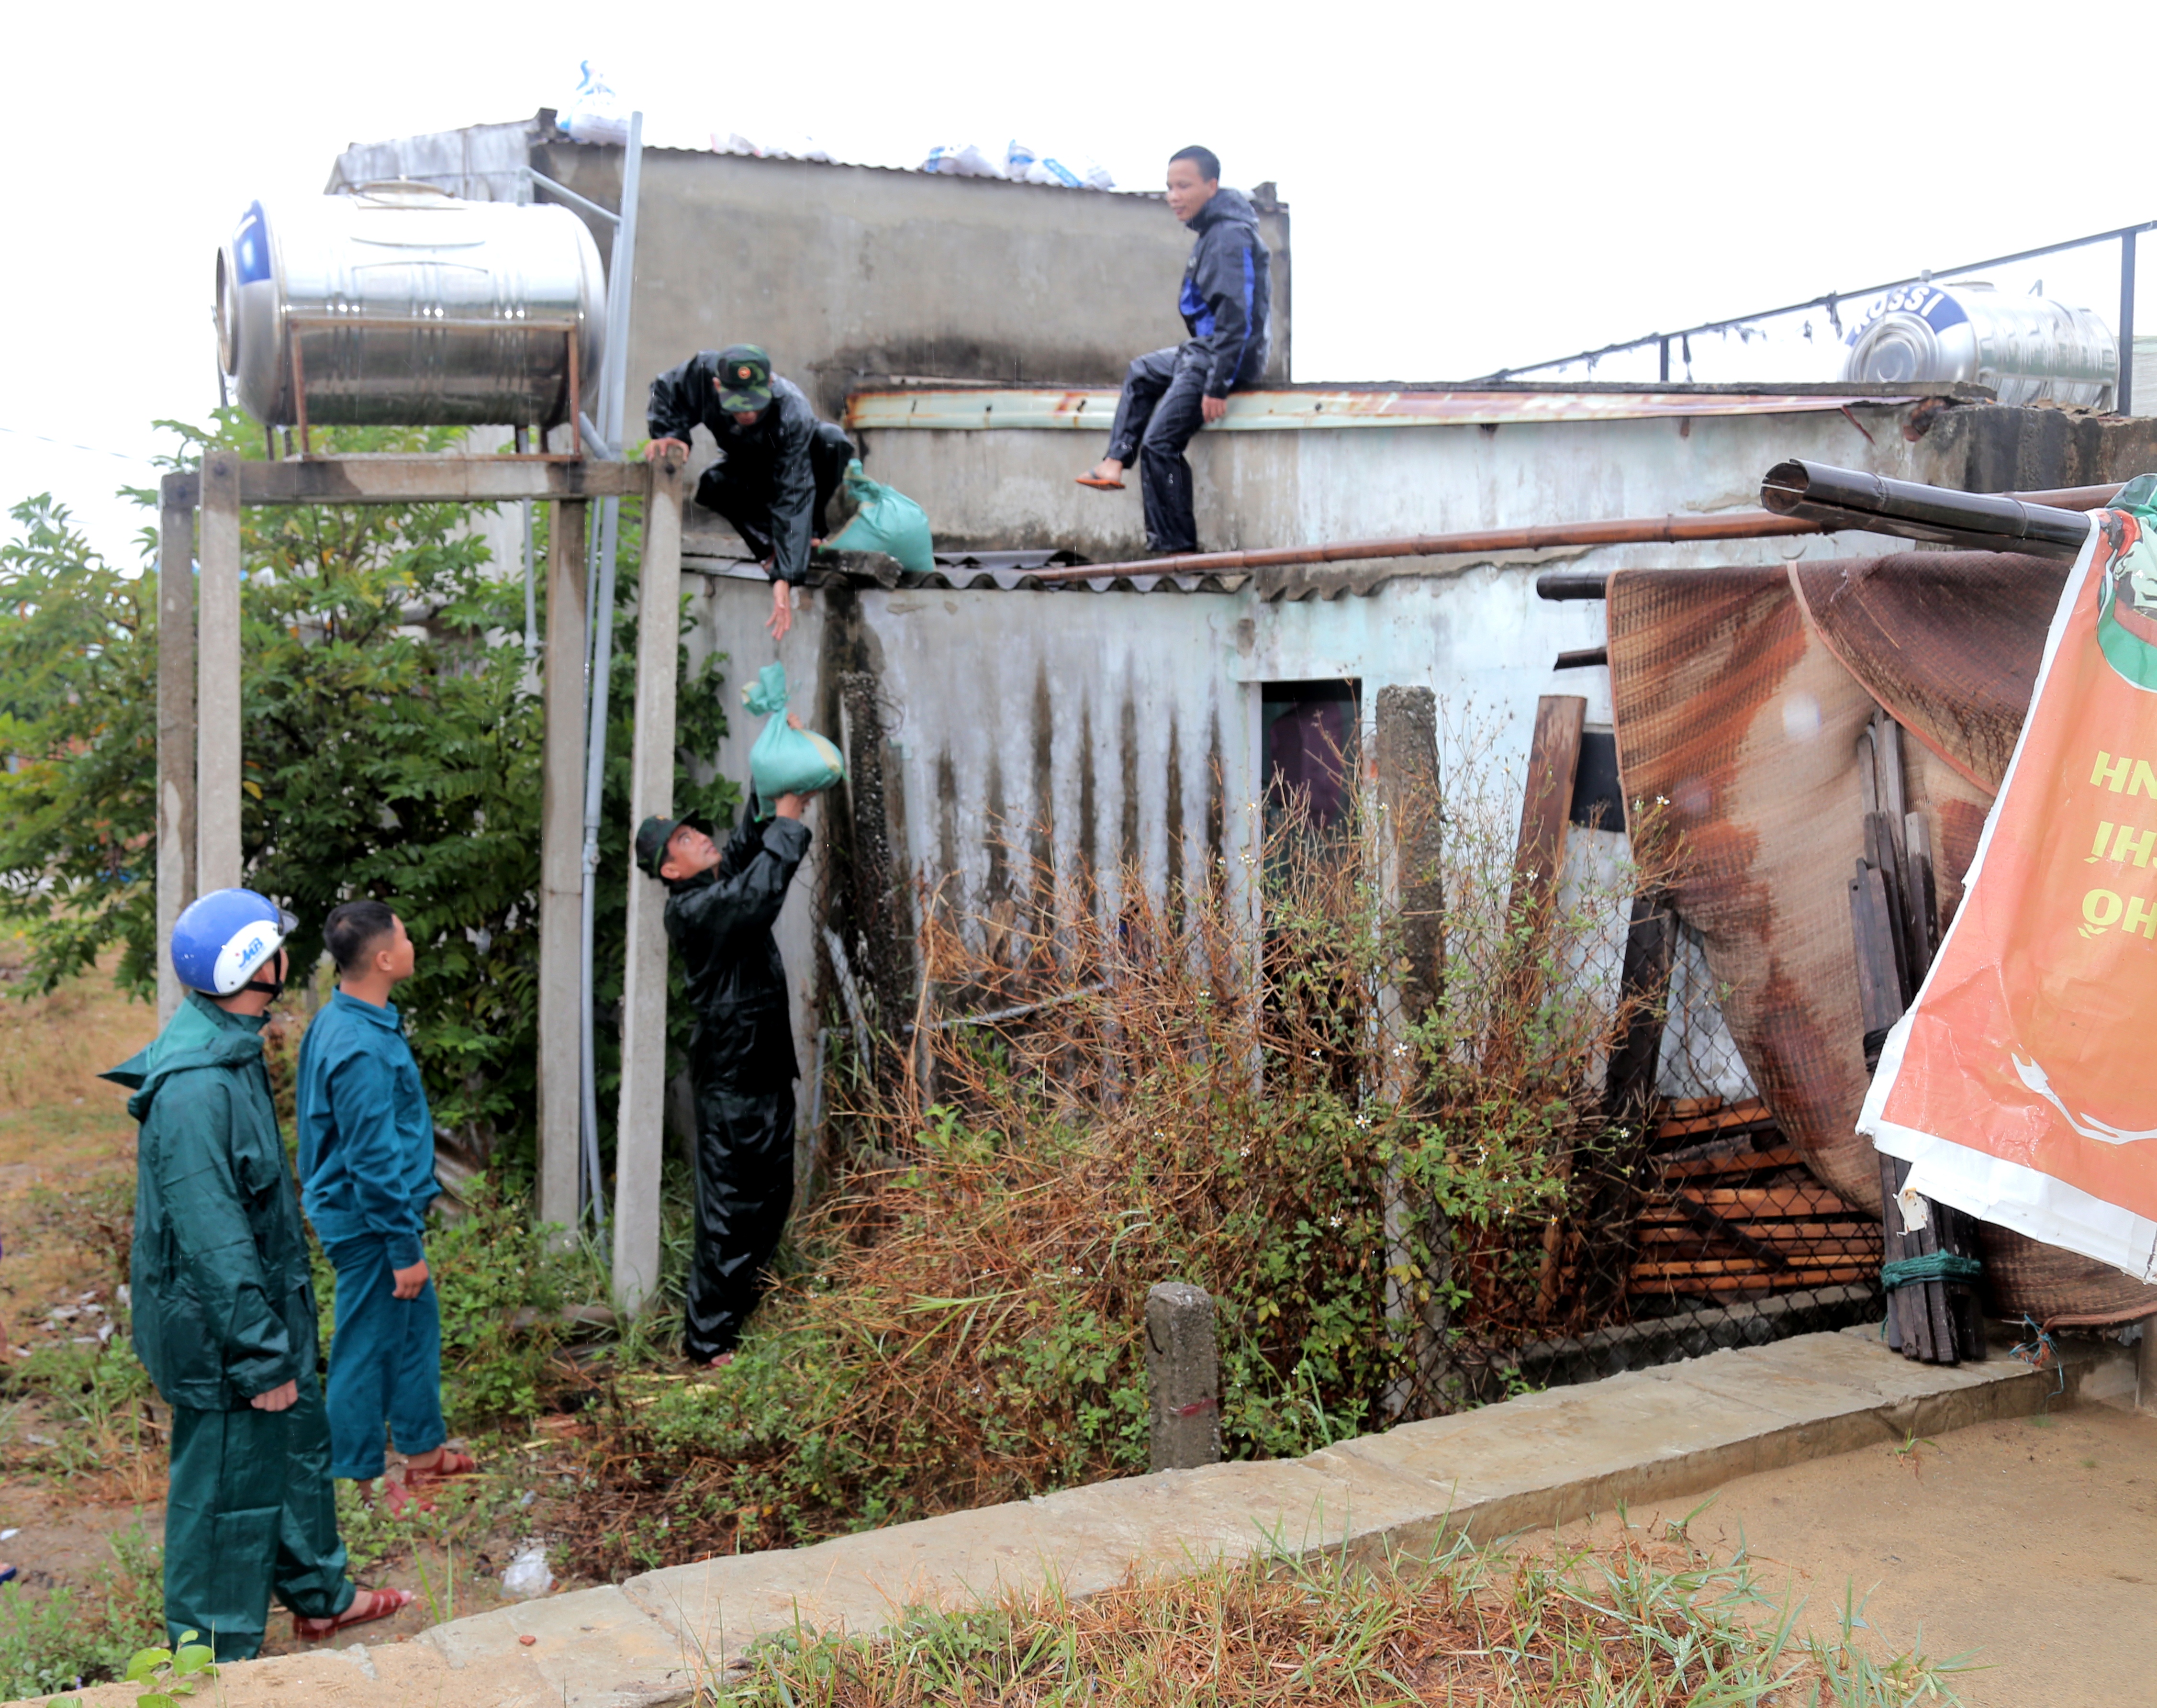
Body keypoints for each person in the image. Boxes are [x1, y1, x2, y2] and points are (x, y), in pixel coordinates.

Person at [103, 889, 413, 1659]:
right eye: (278, 947)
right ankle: (211, 1658)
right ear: (257, 967)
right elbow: (214, 1242)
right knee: (224, 1496)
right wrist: (259, 1354)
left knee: (297, 1449)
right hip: (224, 1336)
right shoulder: (198, 1088)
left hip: (265, 1313)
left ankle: (320, 1597)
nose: (289, 957)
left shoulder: (232, 1042)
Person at [296, 901, 472, 1517]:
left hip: (380, 1213)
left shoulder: (351, 1017)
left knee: (416, 1329)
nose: (412, 942)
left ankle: (424, 1455)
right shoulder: (359, 1047)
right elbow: (371, 1159)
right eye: (405, 935)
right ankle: (357, 1488)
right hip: (369, 1220)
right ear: (383, 958)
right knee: (366, 1347)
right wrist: (402, 1248)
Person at [633, 790, 812, 1368]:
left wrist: (771, 791)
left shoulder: (711, 887)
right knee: (731, 1212)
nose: (700, 839)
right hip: (734, 1087)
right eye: (684, 840)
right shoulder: (693, 910)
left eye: (694, 831)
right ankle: (708, 1343)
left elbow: (741, 851)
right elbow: (756, 893)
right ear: (669, 869)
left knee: (769, 1201)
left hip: (761, 1075)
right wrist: (786, 826)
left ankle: (736, 1323)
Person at [1078, 145, 1273, 555]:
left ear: (1212, 186)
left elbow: (1235, 316)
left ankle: (1174, 548)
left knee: (1160, 444)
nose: (1173, 196)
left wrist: (1216, 385)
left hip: (1221, 356)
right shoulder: (1213, 230)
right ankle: (1114, 461)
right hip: (1203, 350)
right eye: (1169, 187)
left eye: (1184, 186)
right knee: (1143, 371)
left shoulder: (1227, 235)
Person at [646, 343, 855, 646]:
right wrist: (670, 434)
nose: (748, 412)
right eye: (738, 404)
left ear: (769, 385)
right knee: (712, 485)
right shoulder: (702, 373)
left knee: (833, 442)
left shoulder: (791, 411)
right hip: (745, 468)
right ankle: (768, 545)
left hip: (796, 471)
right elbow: (665, 389)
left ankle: (809, 536)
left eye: (755, 403)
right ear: (717, 386)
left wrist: (787, 576)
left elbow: (794, 492)